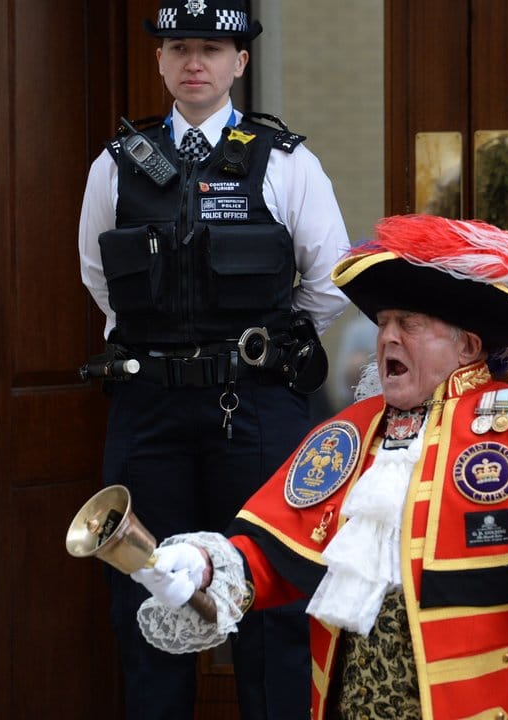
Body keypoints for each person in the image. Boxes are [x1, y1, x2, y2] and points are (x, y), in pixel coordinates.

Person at [126, 214, 508, 719]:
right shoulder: (350, 432)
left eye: (410, 324)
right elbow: (277, 548)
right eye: (385, 323)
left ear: (469, 346)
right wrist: (206, 566)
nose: (388, 338)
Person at [76, 1, 352, 717]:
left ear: (240, 63)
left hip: (255, 406)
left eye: (212, 48)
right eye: (180, 47)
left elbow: (328, 280)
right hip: (151, 407)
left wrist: (258, 350)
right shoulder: (115, 166)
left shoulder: (286, 161)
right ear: (162, 61)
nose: (195, 61)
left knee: (273, 600)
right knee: (147, 598)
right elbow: (98, 275)